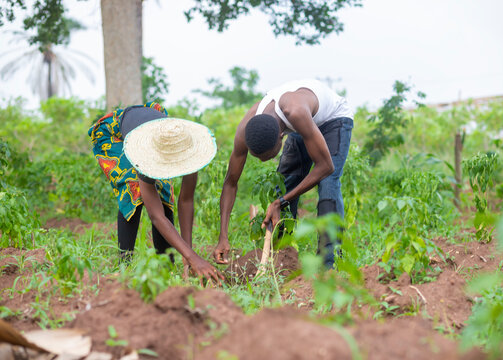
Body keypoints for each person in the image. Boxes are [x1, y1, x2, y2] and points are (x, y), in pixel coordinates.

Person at [213, 79, 354, 268]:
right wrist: (223, 236)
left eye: (268, 156)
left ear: (281, 136)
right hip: (302, 124)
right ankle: (282, 257)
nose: (263, 161)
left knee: (328, 182)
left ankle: (329, 262)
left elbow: (325, 166)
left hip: (332, 120)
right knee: (287, 181)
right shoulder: (245, 128)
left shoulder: (295, 112)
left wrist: (281, 202)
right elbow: (231, 182)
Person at [89, 102, 223, 282]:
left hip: (155, 127)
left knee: (165, 194)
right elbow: (156, 215)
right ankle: (124, 266)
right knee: (133, 190)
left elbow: (186, 201)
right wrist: (194, 258)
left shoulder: (187, 147)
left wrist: (188, 258)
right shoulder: (145, 154)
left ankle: (166, 266)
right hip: (114, 134)